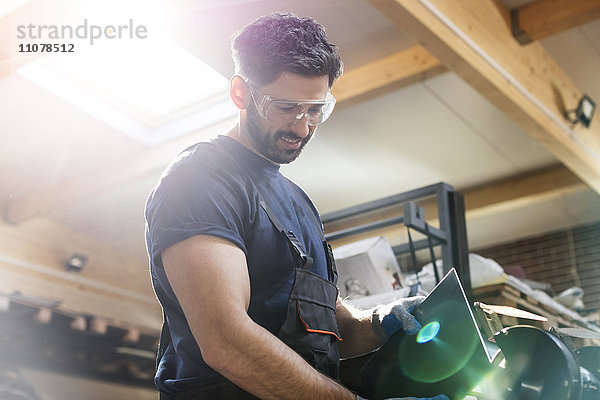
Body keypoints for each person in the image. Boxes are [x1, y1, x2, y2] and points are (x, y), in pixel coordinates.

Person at [145, 12, 449, 400]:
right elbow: (226, 342)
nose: (302, 127)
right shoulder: (199, 181)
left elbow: (327, 329)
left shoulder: (298, 201)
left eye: (316, 110)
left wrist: (378, 323)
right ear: (241, 93)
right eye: (286, 107)